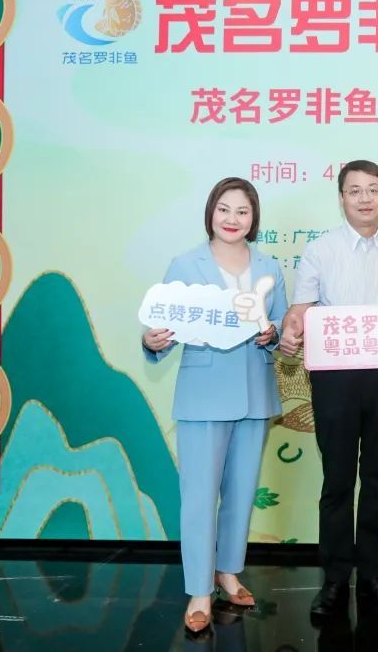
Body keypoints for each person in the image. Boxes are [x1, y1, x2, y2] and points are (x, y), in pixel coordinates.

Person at [278, 160, 378, 618]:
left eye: (373, 189)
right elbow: (301, 310)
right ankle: (333, 580)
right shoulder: (320, 250)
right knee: (338, 480)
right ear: (341, 197)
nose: (365, 198)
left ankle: (374, 578)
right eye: (355, 190)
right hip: (335, 379)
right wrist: (291, 328)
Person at [142, 177, 288, 634]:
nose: (232, 219)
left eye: (242, 211)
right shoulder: (186, 264)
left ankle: (228, 573)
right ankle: (199, 590)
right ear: (210, 213)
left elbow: (281, 327)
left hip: (254, 394)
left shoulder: (269, 266)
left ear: (254, 218)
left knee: (241, 493)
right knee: (200, 497)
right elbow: (163, 328)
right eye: (224, 209)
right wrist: (151, 341)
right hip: (203, 397)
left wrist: (273, 333)